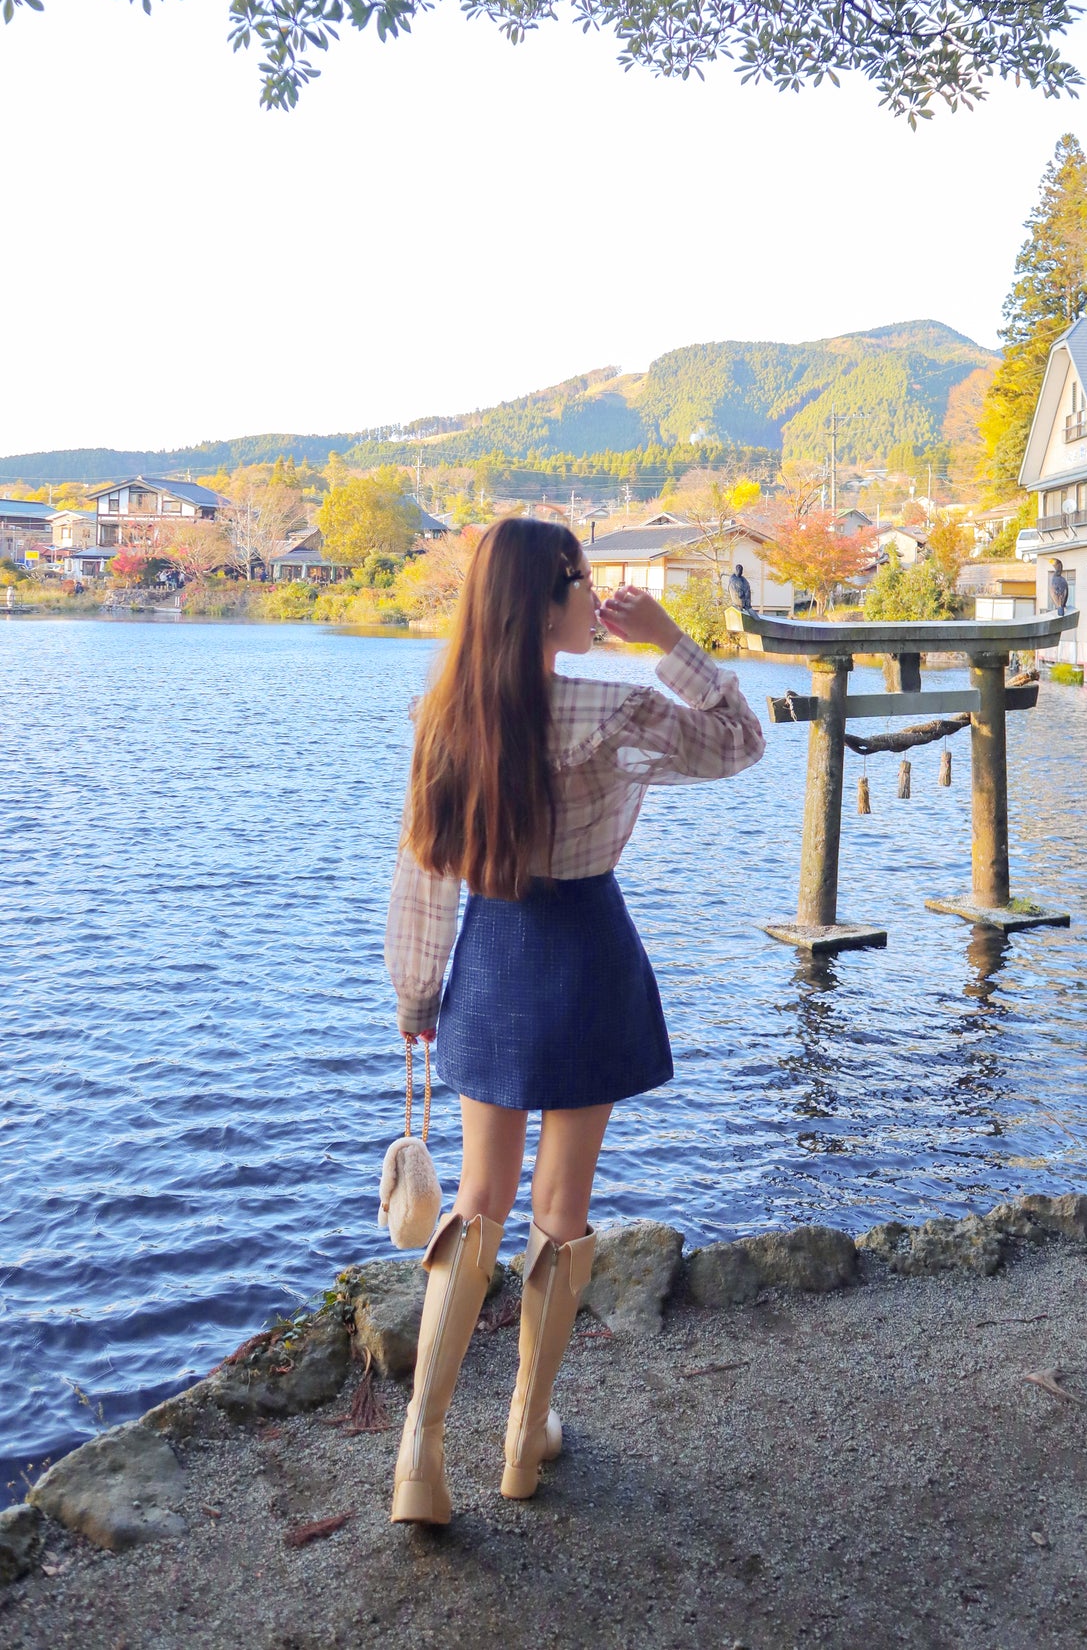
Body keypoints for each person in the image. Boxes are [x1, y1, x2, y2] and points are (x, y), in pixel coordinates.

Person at [383, 516, 765, 1526]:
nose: (596, 597)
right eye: (586, 582)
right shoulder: (623, 700)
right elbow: (740, 740)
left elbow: (422, 868)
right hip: (587, 945)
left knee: (478, 1198)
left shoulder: (447, 711)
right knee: (561, 1203)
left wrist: (417, 995)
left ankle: (419, 1449)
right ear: (553, 595)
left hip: (492, 948)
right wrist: (672, 637)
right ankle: (524, 1430)